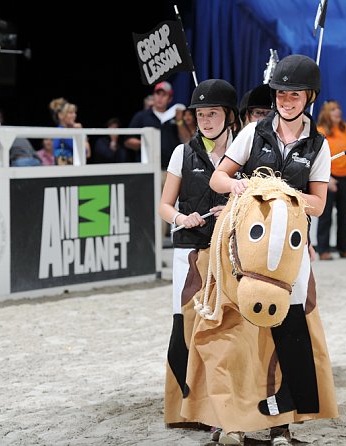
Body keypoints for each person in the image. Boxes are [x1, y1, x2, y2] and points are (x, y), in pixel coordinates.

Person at [208, 54, 337, 446]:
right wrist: (237, 186)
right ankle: (230, 416)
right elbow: (218, 177)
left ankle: (282, 423)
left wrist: (285, 195)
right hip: (247, 250)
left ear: (308, 98)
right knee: (239, 331)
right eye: (281, 94)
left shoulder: (318, 145)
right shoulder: (254, 133)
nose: (285, 100)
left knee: (290, 331)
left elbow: (318, 204)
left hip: (290, 251)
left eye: (293, 94)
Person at [158, 79, 239, 429]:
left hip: (228, 251)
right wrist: (180, 217)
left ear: (229, 116)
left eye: (212, 114)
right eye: (200, 114)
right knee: (185, 325)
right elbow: (163, 204)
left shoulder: (242, 153)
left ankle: (226, 404)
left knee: (225, 328)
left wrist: (233, 210)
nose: (205, 121)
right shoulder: (182, 152)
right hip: (189, 249)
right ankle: (182, 408)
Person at [125, 81, 186, 241]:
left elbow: (186, 139)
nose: (159, 98)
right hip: (152, 169)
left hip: (173, 170)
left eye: (163, 95)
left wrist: (180, 121)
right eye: (157, 94)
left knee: (174, 205)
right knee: (153, 206)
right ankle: (155, 243)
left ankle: (174, 239)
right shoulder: (143, 116)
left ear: (169, 98)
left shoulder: (174, 117)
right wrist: (143, 143)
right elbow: (127, 140)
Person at [316, 100, 346, 260]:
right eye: (333, 109)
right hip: (327, 177)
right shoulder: (320, 131)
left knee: (344, 214)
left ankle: (343, 248)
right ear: (326, 113)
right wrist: (328, 177)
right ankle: (323, 249)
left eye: (338, 109)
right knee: (325, 215)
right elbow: (318, 157)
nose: (337, 111)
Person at [48, 97, 91, 165]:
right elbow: (85, 152)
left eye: (74, 112)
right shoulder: (62, 132)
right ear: (61, 115)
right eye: (70, 113)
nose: (74, 115)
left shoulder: (69, 131)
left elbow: (88, 154)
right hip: (64, 172)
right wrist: (81, 132)